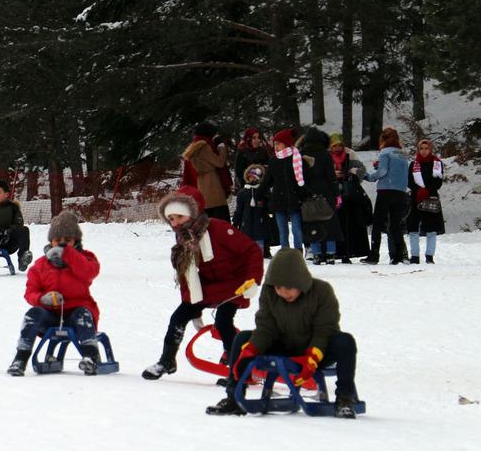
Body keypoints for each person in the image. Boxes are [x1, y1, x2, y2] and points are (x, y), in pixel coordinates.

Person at [207, 248, 359, 419]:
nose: (282, 292)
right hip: (283, 345)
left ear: (301, 281)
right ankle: (234, 397)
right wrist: (250, 350)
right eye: (278, 287)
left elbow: (324, 330)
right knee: (242, 339)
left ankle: (344, 399)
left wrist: (312, 356)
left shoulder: (322, 291)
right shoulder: (270, 292)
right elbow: (266, 327)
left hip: (317, 348)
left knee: (345, 341)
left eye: (288, 287)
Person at [142, 186, 263, 383]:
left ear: (192, 213)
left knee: (223, 321)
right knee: (178, 318)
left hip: (234, 284)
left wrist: (253, 280)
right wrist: (192, 305)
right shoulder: (183, 237)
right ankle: (167, 361)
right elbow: (185, 274)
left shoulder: (219, 228)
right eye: (170, 219)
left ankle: (238, 368)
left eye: (179, 217)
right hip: (207, 287)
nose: (175, 223)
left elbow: (252, 251)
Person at [6, 210, 103, 376]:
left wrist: (69, 254)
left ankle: (90, 356)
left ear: (76, 241)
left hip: (77, 311)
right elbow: (30, 292)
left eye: (68, 241)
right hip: (51, 314)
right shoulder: (41, 265)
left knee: (82, 315)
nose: (62, 244)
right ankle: (20, 358)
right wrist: (42, 299)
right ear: (51, 241)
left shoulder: (85, 258)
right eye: (58, 240)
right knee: (33, 314)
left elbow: (89, 272)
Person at [362, 126, 409, 265]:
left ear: (382, 139)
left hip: (386, 190)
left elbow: (382, 172)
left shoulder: (384, 153)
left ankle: (374, 254)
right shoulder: (402, 154)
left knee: (378, 222)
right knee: (395, 224)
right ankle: (399, 255)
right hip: (400, 191)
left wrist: (369, 177)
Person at [297, 128, 343, 265]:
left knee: (312, 223)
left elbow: (299, 176)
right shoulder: (325, 154)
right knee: (330, 223)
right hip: (326, 191)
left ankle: (316, 253)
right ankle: (330, 254)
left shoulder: (301, 154)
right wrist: (337, 193)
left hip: (308, 192)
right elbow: (331, 176)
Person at [259, 127, 304, 250]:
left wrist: (305, 195)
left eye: (278, 144)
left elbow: (302, 179)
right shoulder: (274, 160)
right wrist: (259, 193)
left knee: (296, 229)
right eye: (275, 144)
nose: (276, 147)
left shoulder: (296, 158)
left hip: (294, 198)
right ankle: (285, 252)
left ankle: (298, 251)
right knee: (282, 231)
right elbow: (268, 180)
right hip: (278, 199)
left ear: (286, 143)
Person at [329, 133, 371, 262]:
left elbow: (361, 169)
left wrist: (352, 174)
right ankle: (337, 252)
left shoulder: (350, 154)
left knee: (351, 224)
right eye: (334, 146)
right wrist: (332, 174)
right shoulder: (326, 157)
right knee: (337, 224)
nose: (337, 148)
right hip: (334, 193)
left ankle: (350, 252)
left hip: (350, 195)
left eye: (339, 145)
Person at [181, 121, 232, 221]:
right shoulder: (204, 147)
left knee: (208, 217)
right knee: (220, 217)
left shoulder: (193, 148)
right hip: (213, 185)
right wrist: (221, 147)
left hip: (202, 185)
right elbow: (219, 162)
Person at [407, 138, 445, 264]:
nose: (424, 151)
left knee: (431, 228)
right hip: (416, 198)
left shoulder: (437, 164)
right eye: (421, 149)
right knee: (413, 228)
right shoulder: (414, 164)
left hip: (431, 198)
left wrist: (427, 190)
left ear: (430, 149)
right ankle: (415, 256)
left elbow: (438, 182)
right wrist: (418, 190)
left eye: (426, 148)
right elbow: (410, 182)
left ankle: (429, 256)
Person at [232, 163, 271, 255]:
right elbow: (239, 209)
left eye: (255, 177)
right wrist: (235, 222)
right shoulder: (243, 193)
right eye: (250, 177)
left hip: (260, 225)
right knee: (247, 247)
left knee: (259, 248)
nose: (252, 179)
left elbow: (268, 206)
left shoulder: (263, 191)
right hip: (246, 225)